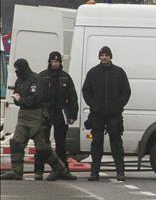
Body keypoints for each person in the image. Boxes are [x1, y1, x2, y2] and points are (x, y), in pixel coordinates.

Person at [1, 59, 75, 181]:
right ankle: (16, 171)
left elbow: (37, 98)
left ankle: (59, 168)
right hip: (23, 116)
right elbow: (17, 95)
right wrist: (16, 99)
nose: (17, 72)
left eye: (18, 70)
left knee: (42, 146)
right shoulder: (19, 81)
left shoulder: (36, 79)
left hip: (37, 115)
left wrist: (21, 100)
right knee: (16, 143)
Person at [81, 46, 131, 181]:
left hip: (114, 114)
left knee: (116, 144)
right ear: (99, 57)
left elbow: (126, 91)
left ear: (111, 57)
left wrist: (118, 106)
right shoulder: (93, 73)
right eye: (102, 55)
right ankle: (94, 172)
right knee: (96, 143)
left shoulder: (119, 72)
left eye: (106, 55)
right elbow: (86, 90)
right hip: (97, 114)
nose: (104, 57)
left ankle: (120, 172)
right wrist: (93, 104)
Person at [34, 51, 79, 180]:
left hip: (61, 112)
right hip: (45, 113)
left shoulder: (65, 77)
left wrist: (72, 115)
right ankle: (38, 170)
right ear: (49, 62)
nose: (55, 64)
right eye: (52, 61)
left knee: (61, 144)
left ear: (60, 62)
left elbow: (72, 97)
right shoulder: (42, 76)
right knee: (43, 143)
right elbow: (36, 96)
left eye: (57, 61)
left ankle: (63, 171)